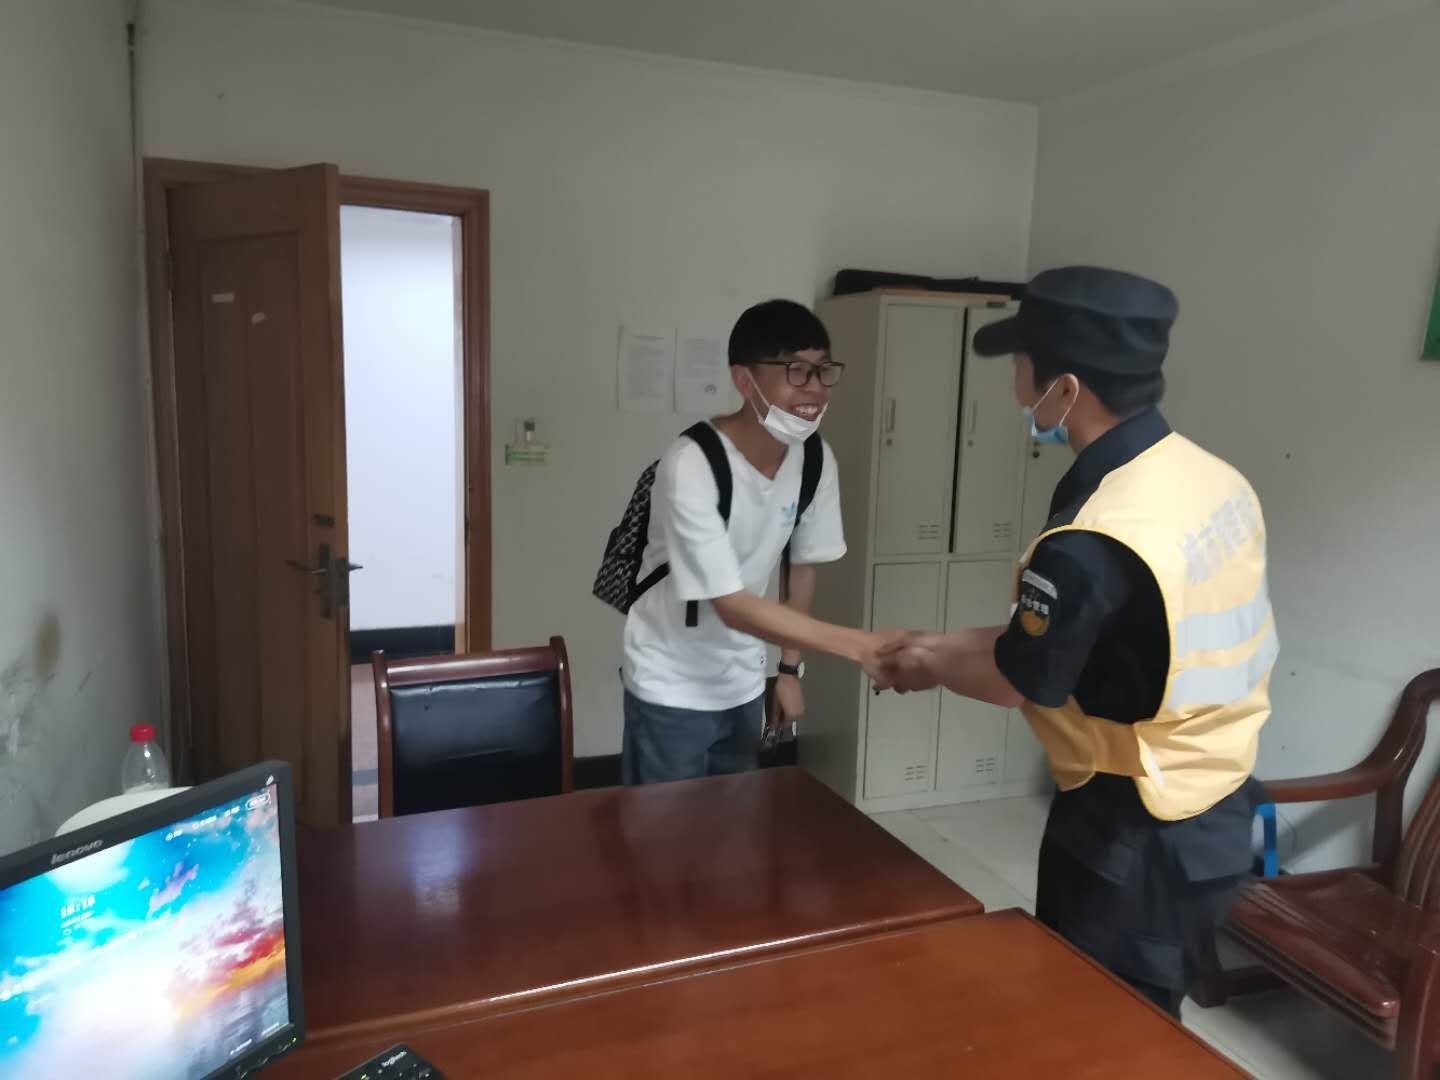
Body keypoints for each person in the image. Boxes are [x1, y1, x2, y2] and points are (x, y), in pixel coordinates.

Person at [878, 266, 1275, 1016]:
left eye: (1021, 367)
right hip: (1219, 806)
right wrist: (933, 642)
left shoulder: (1096, 535)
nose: (1015, 389)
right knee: (1146, 1011)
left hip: (1133, 830)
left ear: (1065, 388)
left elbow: (1019, 680)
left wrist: (924, 666)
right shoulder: (1210, 479)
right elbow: (1090, 638)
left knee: (1101, 1020)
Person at [622, 299, 895, 786]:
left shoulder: (815, 461)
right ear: (745, 381)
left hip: (744, 681)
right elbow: (730, 604)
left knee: (735, 820)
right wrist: (858, 646)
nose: (815, 388)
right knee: (663, 827)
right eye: (796, 371)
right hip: (670, 683)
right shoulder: (692, 464)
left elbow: (801, 569)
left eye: (823, 370)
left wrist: (789, 671)